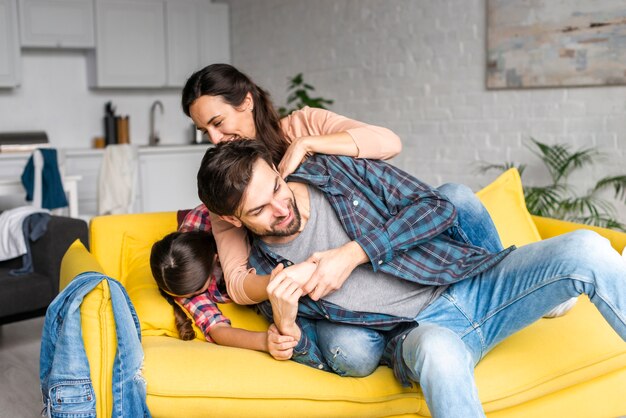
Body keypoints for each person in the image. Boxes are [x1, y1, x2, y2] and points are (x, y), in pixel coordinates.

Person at [197, 139, 626, 418]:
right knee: (439, 353)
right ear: (233, 218)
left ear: (276, 167)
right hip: (419, 332)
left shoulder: (336, 172)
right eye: (259, 210)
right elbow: (328, 353)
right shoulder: (268, 275)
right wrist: (286, 320)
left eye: (275, 187)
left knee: (586, 248)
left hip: (472, 282)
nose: (279, 207)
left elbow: (437, 206)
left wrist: (354, 253)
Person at [180, 63, 514, 376]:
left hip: (370, 248)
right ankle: (410, 341)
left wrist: (307, 143)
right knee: (349, 350)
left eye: (218, 122)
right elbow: (237, 283)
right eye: (204, 130)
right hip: (329, 290)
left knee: (455, 196)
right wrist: (284, 281)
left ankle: (505, 280)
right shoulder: (226, 194)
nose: (213, 137)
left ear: (247, 102)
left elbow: (388, 142)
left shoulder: (301, 125)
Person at [149, 230, 297, 359]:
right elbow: (217, 330)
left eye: (197, 290)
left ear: (215, 259)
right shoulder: (186, 286)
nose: (191, 295)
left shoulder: (199, 232)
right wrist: (264, 341)